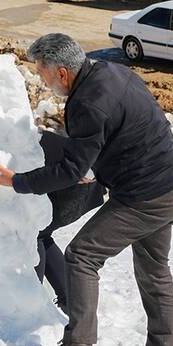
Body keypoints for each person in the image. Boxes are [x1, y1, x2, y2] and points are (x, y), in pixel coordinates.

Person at [0, 33, 173, 346]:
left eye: (42, 73)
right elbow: (119, 132)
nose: (42, 80)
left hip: (146, 195)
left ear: (62, 72)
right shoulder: (110, 71)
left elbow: (70, 169)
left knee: (82, 255)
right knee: (154, 268)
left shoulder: (88, 102)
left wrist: (16, 181)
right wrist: (94, 164)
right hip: (172, 184)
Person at [36, 130, 106, 312]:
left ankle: (32, 299)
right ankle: (70, 299)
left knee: (34, 235)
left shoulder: (15, 145)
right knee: (42, 235)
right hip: (84, 187)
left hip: (74, 188)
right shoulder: (31, 136)